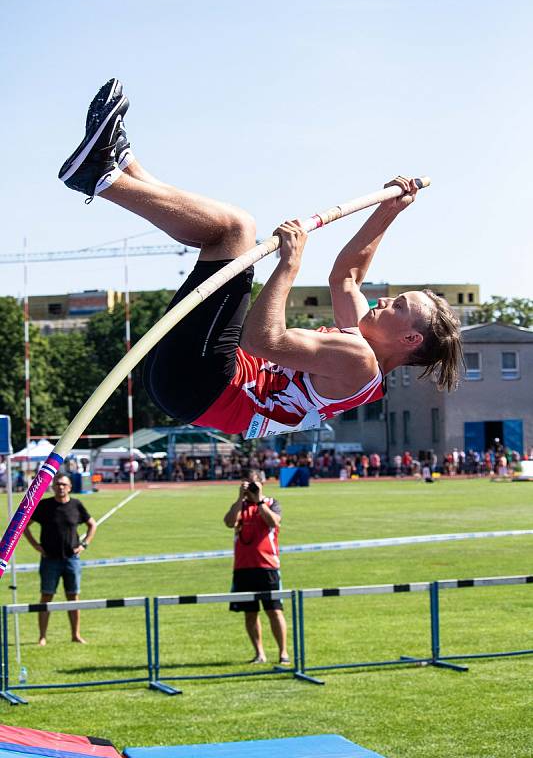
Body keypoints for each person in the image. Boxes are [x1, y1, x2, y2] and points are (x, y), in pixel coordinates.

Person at [58, 79, 464, 438]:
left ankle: (100, 177)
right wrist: (389, 210)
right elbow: (347, 277)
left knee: (236, 229)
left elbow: (263, 340)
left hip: (205, 384)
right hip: (195, 383)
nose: (384, 301)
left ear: (410, 339)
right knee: (221, 236)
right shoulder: (361, 341)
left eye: (399, 306)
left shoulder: (359, 362)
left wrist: (288, 265)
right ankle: (120, 163)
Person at [24, 473, 97, 646]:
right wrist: (36, 545)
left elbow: (92, 524)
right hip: (50, 559)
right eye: (57, 484)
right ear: (52, 487)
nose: (60, 487)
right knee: (46, 597)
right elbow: (24, 526)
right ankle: (42, 636)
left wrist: (84, 544)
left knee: (73, 597)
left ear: (70, 487)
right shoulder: (44, 506)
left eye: (64, 484)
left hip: (72, 559)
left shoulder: (76, 505)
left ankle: (76, 634)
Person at [223, 473, 289, 664]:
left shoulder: (271, 502)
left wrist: (259, 501)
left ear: (262, 483)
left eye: (255, 483)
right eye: (248, 483)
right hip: (243, 567)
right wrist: (239, 499)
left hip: (267, 566)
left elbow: (274, 522)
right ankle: (259, 653)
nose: (252, 486)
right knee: (250, 613)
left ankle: (283, 652)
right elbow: (229, 522)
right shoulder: (240, 506)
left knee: (274, 610)